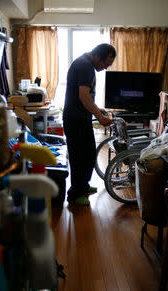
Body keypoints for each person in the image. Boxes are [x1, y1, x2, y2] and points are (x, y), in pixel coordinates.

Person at [63, 43, 116, 206]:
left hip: (80, 118)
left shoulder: (85, 63)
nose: (106, 67)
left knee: (88, 155)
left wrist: (97, 108)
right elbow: (83, 96)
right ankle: (75, 194)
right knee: (80, 158)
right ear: (98, 56)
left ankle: (83, 186)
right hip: (75, 120)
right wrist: (100, 117)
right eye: (106, 63)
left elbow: (86, 97)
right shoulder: (85, 65)